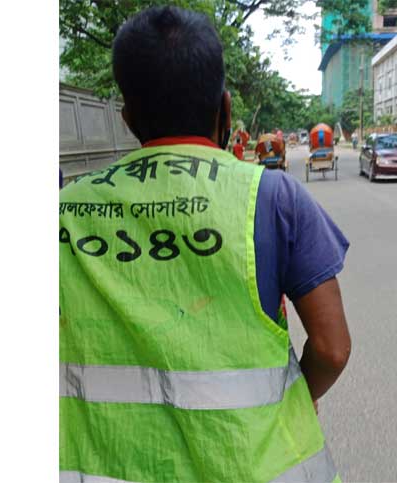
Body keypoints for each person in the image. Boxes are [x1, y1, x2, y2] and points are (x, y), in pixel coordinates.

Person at [59, 6, 351, 483]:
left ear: (128, 117)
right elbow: (332, 348)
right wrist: (299, 394)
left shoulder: (65, 209)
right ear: (227, 108)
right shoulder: (274, 198)